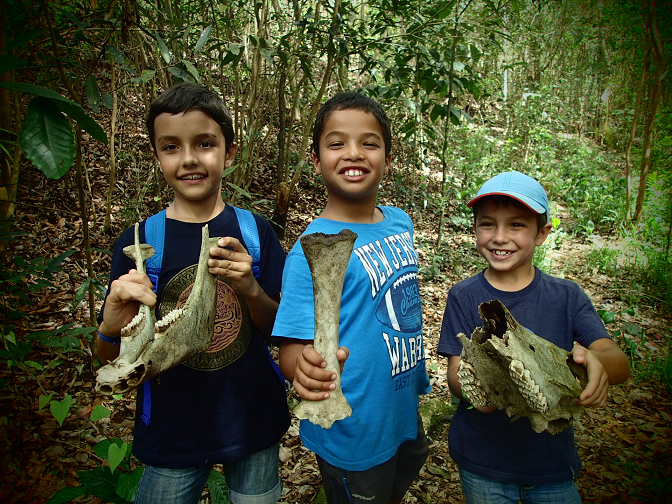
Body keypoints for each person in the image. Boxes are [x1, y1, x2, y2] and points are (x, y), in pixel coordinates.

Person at [96, 82, 289, 504]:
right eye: (171, 147)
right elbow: (111, 361)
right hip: (173, 432)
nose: (188, 159)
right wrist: (111, 326)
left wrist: (250, 289)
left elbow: (280, 331)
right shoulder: (140, 243)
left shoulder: (255, 233)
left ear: (229, 151)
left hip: (253, 421)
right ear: (156, 155)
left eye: (204, 143)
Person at [273, 92, 431, 504]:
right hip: (354, 428)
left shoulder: (400, 222)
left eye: (369, 143)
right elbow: (291, 348)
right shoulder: (310, 250)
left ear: (387, 159)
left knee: (406, 469)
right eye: (337, 143)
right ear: (316, 159)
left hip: (400, 409)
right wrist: (303, 370)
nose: (354, 153)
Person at [438, 171, 630, 503]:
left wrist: (596, 363)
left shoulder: (566, 297)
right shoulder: (464, 296)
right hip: (484, 460)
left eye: (516, 225)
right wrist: (478, 390)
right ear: (475, 229)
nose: (500, 237)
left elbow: (617, 362)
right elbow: (456, 373)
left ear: (541, 233)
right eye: (488, 224)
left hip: (550, 461)